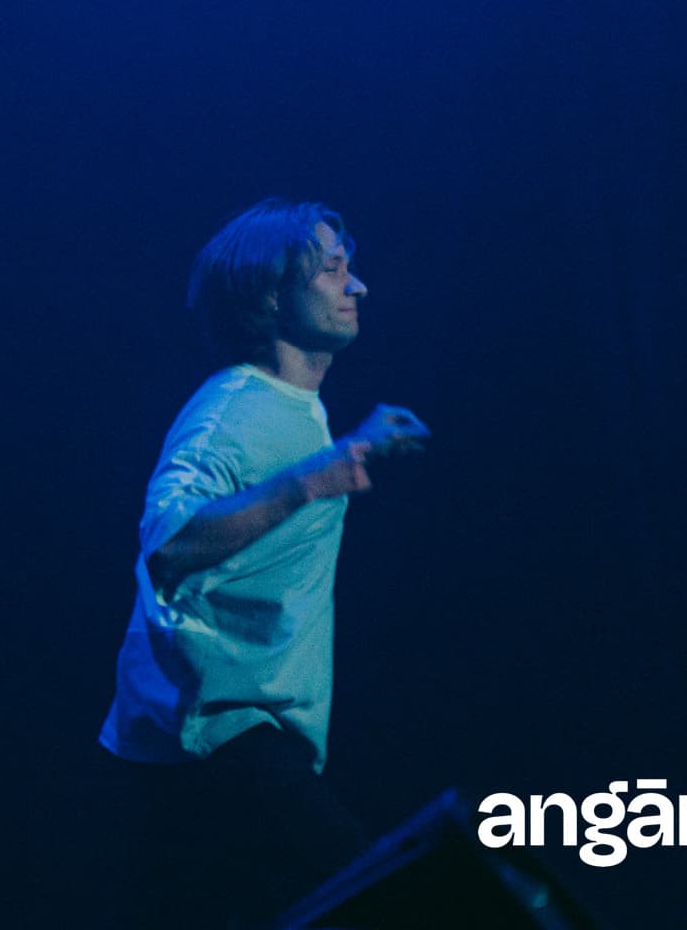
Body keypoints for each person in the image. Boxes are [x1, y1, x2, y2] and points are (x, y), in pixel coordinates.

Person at [99, 199, 429, 928]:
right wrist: (321, 473)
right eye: (332, 269)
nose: (357, 285)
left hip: (242, 739)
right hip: (220, 735)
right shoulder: (232, 410)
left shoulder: (292, 404)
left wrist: (346, 454)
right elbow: (168, 545)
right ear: (271, 296)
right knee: (381, 901)